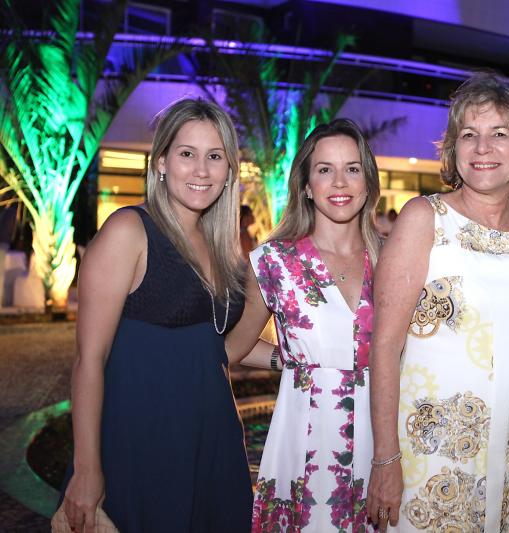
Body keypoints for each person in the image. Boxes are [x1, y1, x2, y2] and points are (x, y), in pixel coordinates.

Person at [366, 72, 509, 532]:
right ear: (454, 150)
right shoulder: (423, 219)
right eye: (469, 135)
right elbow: (385, 346)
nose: (482, 147)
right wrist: (385, 459)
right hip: (427, 459)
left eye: (499, 134)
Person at [61, 98, 252, 532]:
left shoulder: (222, 247)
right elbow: (89, 359)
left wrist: (296, 356)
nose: (201, 170)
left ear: (229, 171)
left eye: (215, 156)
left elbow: (211, 343)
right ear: (161, 162)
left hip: (212, 440)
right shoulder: (129, 231)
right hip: (143, 439)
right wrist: (87, 467)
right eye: (187, 154)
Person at [225, 118, 382, 531]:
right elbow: (235, 347)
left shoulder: (392, 259)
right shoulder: (273, 262)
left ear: (368, 182)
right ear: (307, 185)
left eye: (352, 168)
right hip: (303, 442)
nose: (340, 182)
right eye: (325, 169)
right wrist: (293, 360)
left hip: (380, 439)